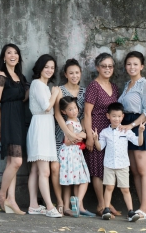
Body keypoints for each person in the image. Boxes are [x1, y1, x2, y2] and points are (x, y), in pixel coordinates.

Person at [0, 44, 30, 214]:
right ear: (4, 57)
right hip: (7, 119)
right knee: (17, 161)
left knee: (11, 163)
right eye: (9, 53)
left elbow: (25, 97)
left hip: (19, 118)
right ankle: (1, 194)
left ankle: (11, 200)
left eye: (15, 53)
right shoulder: (1, 76)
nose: (13, 55)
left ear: (19, 57)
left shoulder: (20, 77)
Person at [118, 51, 146, 220]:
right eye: (129, 64)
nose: (132, 67)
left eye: (135, 64)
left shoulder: (144, 85)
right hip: (127, 125)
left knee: (143, 169)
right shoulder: (127, 85)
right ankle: (144, 209)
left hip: (139, 125)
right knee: (134, 170)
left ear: (142, 66)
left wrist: (132, 125)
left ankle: (144, 207)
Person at [92, 102, 144, 222]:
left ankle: (131, 212)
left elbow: (139, 142)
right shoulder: (105, 132)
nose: (116, 118)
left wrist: (140, 132)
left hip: (123, 165)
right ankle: (106, 210)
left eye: (119, 116)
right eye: (114, 116)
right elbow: (100, 147)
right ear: (108, 116)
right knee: (109, 187)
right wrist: (95, 139)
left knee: (125, 189)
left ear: (123, 116)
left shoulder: (126, 131)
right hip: (109, 164)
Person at [84, 52, 121, 217]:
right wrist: (90, 136)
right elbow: (86, 113)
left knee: (108, 167)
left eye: (110, 66)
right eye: (104, 66)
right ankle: (101, 204)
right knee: (97, 168)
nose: (107, 69)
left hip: (111, 133)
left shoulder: (114, 88)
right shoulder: (94, 86)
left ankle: (107, 202)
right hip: (96, 130)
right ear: (97, 68)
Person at [26, 55, 63, 218]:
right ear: (40, 67)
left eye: (52, 67)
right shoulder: (37, 84)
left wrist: (52, 92)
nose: (49, 70)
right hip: (40, 127)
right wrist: (55, 93)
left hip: (45, 128)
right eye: (47, 67)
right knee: (44, 171)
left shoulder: (44, 86)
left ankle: (33, 205)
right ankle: (49, 206)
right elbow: (47, 107)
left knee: (35, 169)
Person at [57, 59, 94, 216]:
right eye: (71, 73)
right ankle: (66, 206)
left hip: (78, 135)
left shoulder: (84, 91)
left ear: (81, 73)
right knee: (66, 172)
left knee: (77, 173)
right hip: (63, 133)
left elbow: (86, 114)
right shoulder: (59, 90)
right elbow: (57, 114)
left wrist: (86, 134)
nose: (74, 75)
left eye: (77, 72)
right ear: (65, 74)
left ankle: (79, 206)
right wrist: (71, 134)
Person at [58, 96, 91, 218]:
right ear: (64, 112)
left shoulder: (77, 120)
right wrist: (81, 135)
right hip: (71, 153)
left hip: (76, 153)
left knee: (74, 181)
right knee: (84, 179)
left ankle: (74, 206)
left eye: (75, 108)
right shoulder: (69, 123)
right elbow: (67, 141)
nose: (74, 111)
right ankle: (77, 200)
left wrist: (81, 135)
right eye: (70, 109)